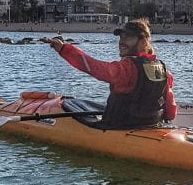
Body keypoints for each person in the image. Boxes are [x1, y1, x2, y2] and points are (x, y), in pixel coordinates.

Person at [41, 19, 177, 129]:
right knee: (74, 103)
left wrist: (64, 49)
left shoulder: (127, 69)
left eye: (128, 38)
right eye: (121, 37)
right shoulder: (163, 71)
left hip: (118, 127)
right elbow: (170, 113)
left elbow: (93, 67)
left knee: (67, 105)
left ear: (142, 42)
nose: (121, 42)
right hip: (151, 125)